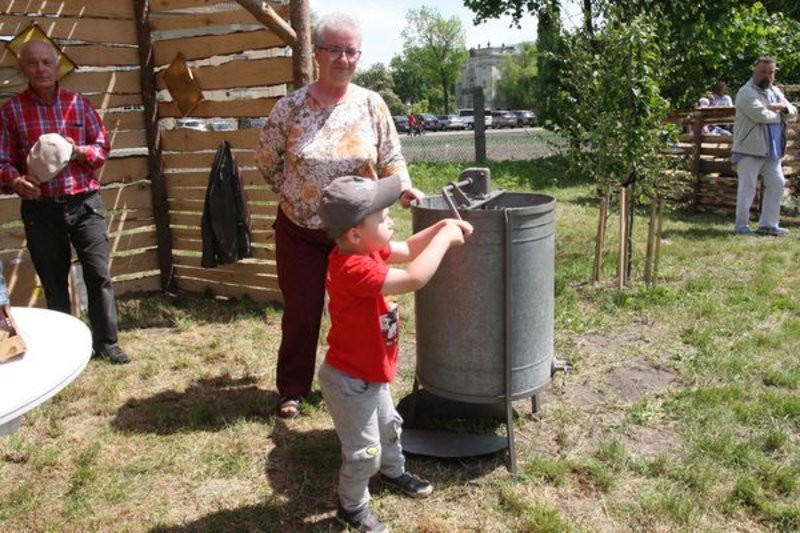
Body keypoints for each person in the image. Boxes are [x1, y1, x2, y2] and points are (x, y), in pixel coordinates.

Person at [255, 12, 423, 418]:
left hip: (357, 236)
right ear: (317, 54)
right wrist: (298, 195)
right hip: (300, 230)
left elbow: (391, 157)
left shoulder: (372, 104)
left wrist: (402, 186)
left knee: (362, 311)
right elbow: (266, 161)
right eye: (334, 50)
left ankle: (359, 383)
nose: (343, 59)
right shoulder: (291, 107)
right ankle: (292, 389)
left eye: (351, 51)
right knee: (303, 310)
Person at [316, 174, 473, 532]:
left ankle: (393, 471)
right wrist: (447, 239)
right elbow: (415, 276)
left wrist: (441, 226)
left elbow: (409, 250)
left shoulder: (366, 248)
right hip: (349, 381)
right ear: (356, 233)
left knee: (390, 428)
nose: (392, 221)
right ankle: (351, 506)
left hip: (372, 372)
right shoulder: (352, 268)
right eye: (384, 218)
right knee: (363, 453)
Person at [0, 40, 129, 364]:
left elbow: (101, 149)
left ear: (56, 67)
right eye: (33, 63)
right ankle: (69, 347)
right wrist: (14, 179)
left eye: (46, 62)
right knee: (53, 278)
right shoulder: (11, 111)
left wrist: (77, 151)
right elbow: (1, 160)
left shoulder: (78, 104)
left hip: (84, 202)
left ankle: (107, 343)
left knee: (98, 273)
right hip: (40, 207)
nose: (40, 68)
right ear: (22, 69)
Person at [731, 56, 797, 236]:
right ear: (754, 71)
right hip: (749, 149)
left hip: (772, 149)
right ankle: (741, 226)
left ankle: (768, 225)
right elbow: (761, 116)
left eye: (771, 72)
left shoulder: (775, 90)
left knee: (777, 184)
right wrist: (780, 111)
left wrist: (781, 108)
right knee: (747, 187)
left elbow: (792, 112)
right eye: (763, 72)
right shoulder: (745, 92)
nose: (767, 76)